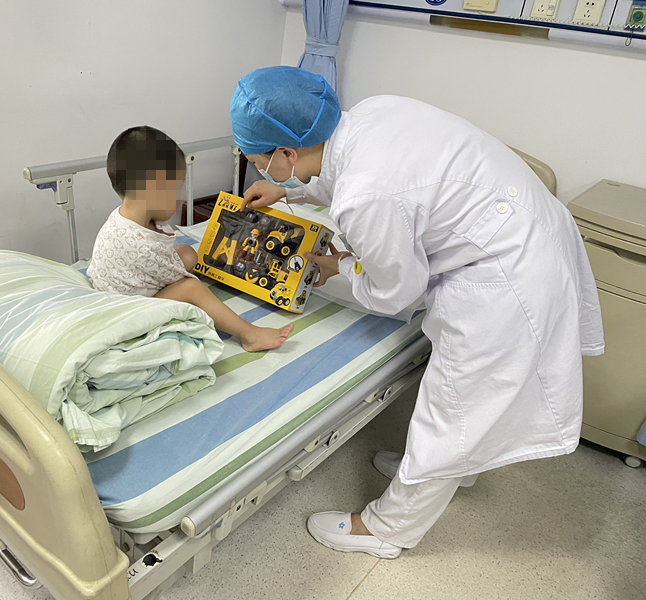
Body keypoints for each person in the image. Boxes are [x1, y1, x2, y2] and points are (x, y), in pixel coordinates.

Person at [230, 66, 604, 558]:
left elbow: (394, 292)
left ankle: (386, 529)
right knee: (469, 409)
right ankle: (449, 470)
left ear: (286, 153)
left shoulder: (365, 196)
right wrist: (288, 191)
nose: (257, 168)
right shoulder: (371, 113)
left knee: (451, 412)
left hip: (505, 276)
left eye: (258, 161)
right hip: (526, 226)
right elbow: (349, 171)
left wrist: (339, 266)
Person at [87, 126, 293, 352]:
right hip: (129, 314)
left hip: (123, 291)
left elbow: (165, 262)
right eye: (175, 190)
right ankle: (250, 335)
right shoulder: (140, 244)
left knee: (187, 253)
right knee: (192, 288)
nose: (179, 200)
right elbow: (181, 280)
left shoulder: (123, 220)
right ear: (155, 189)